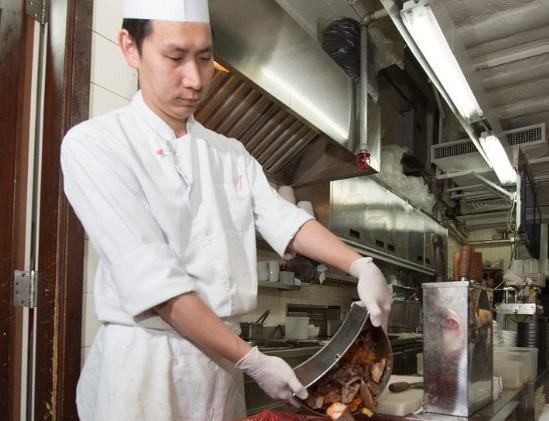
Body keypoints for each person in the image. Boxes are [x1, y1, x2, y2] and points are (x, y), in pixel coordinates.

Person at [61, 1, 392, 420]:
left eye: (204, 58)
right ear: (130, 47)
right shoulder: (95, 144)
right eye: (175, 57)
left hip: (220, 367)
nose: (195, 79)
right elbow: (154, 281)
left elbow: (283, 220)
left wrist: (360, 264)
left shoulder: (230, 154)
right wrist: (252, 360)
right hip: (144, 369)